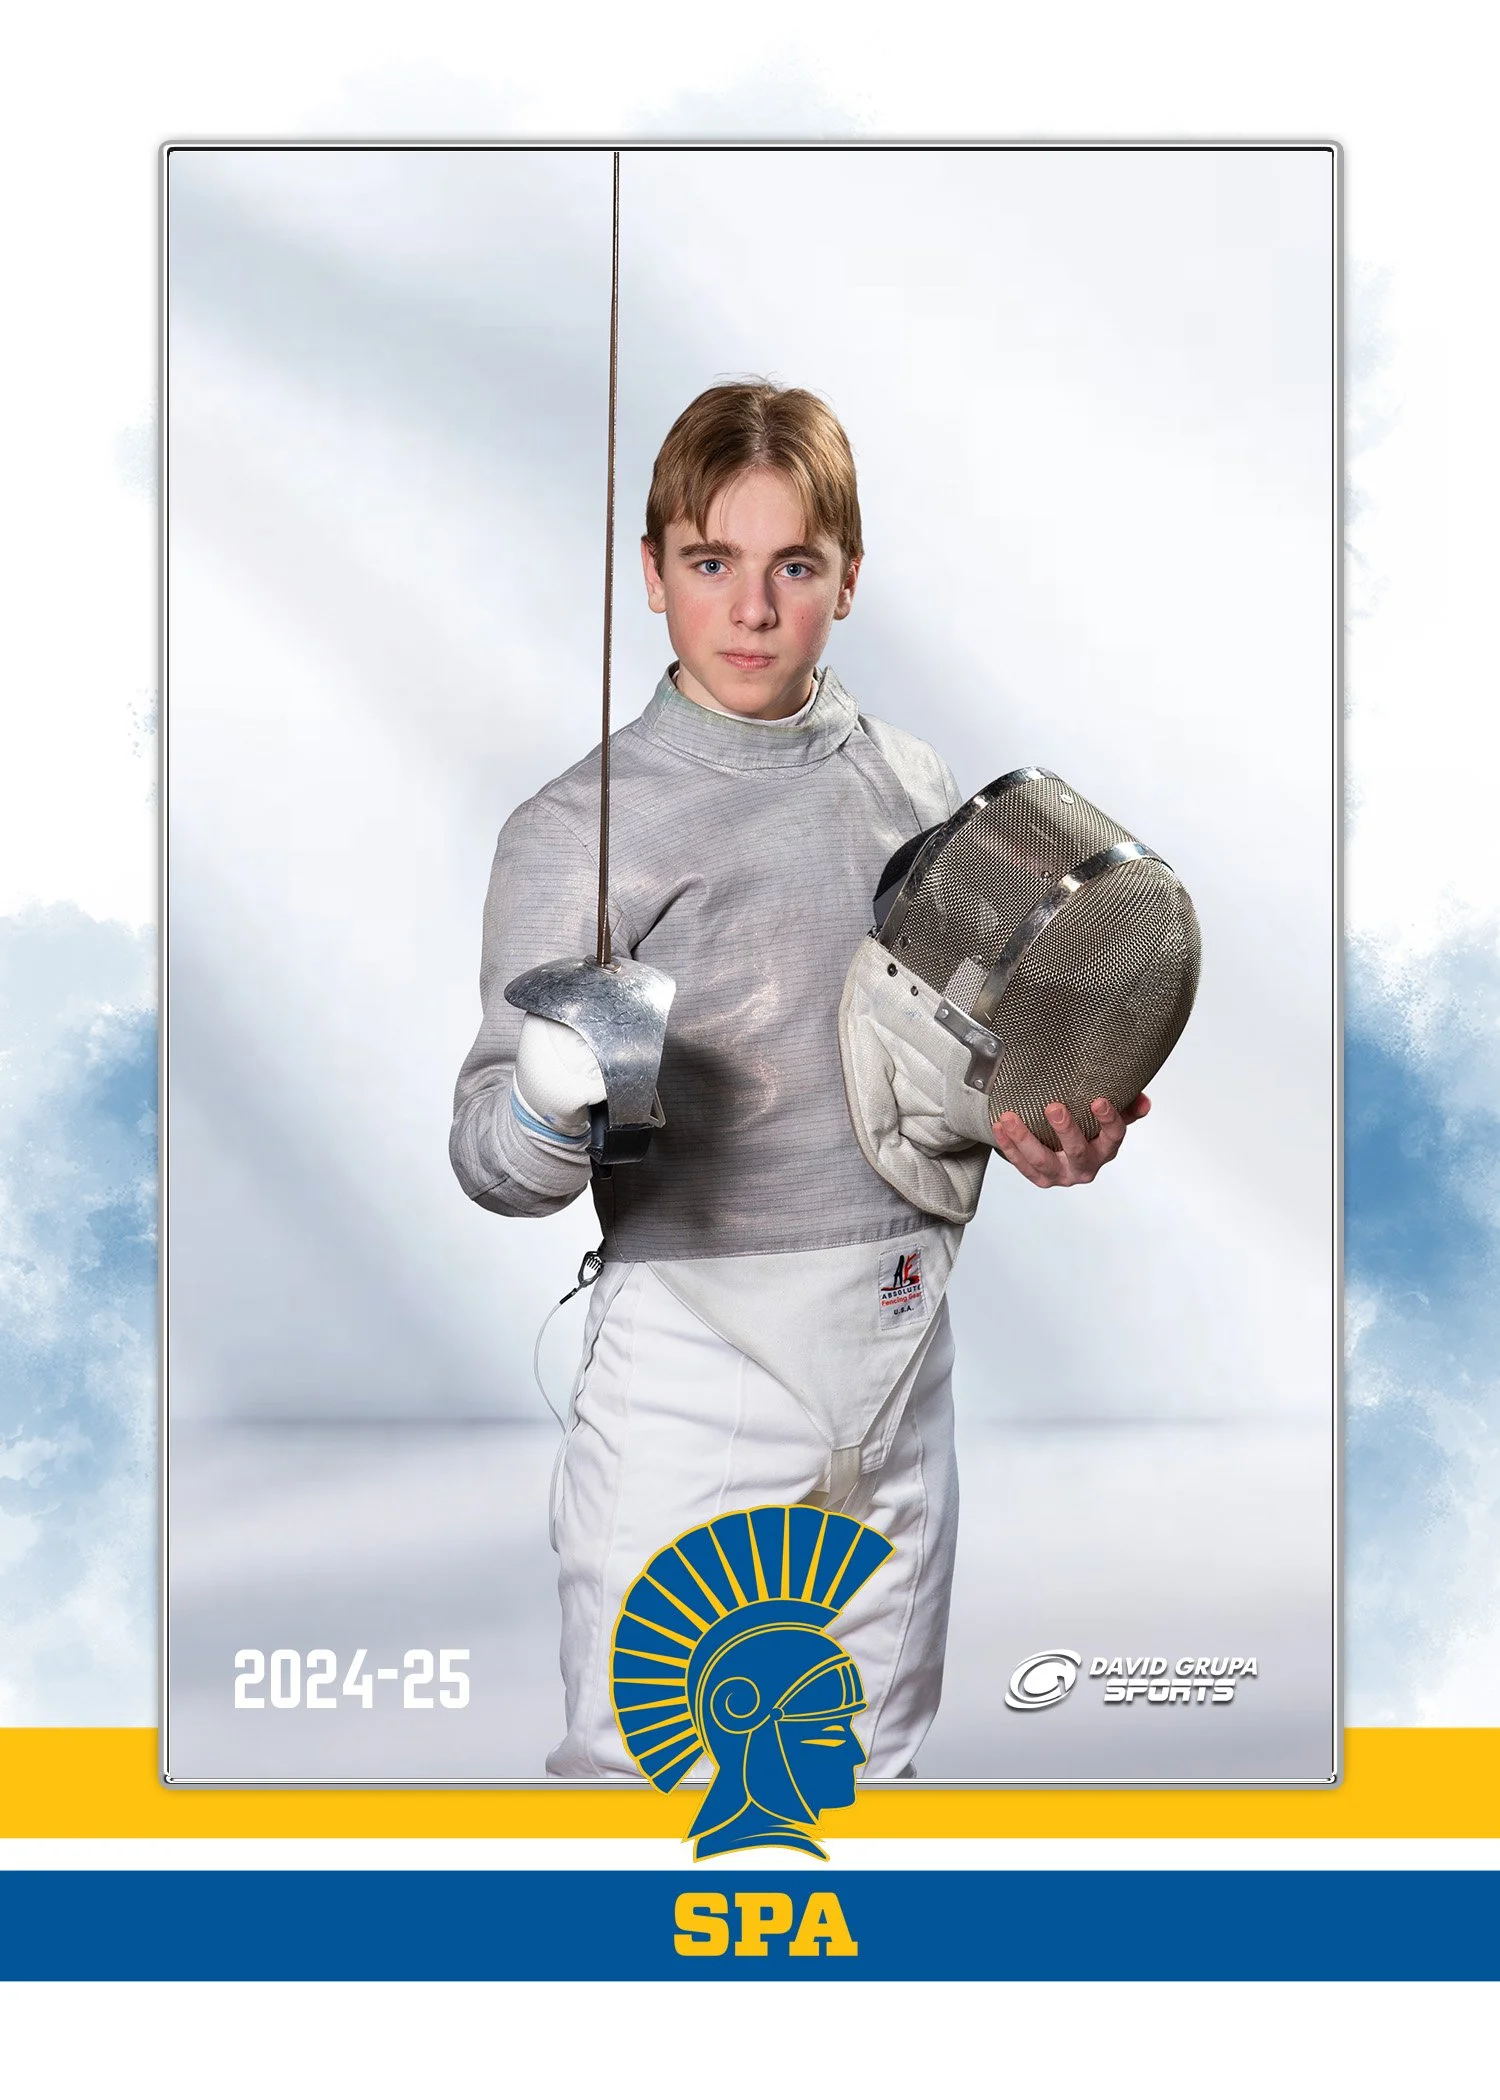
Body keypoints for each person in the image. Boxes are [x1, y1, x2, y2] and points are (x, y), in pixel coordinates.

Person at [450, 381, 1146, 1779]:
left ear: (849, 577)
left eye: (795, 567)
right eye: (712, 562)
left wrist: (1036, 1127)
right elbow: (489, 1160)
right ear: (652, 573)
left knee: (865, 1786)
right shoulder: (578, 829)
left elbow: (950, 1072)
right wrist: (546, 1094)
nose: (754, 609)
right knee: (646, 1788)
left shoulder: (919, 787)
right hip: (693, 1369)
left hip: (901, 1349)